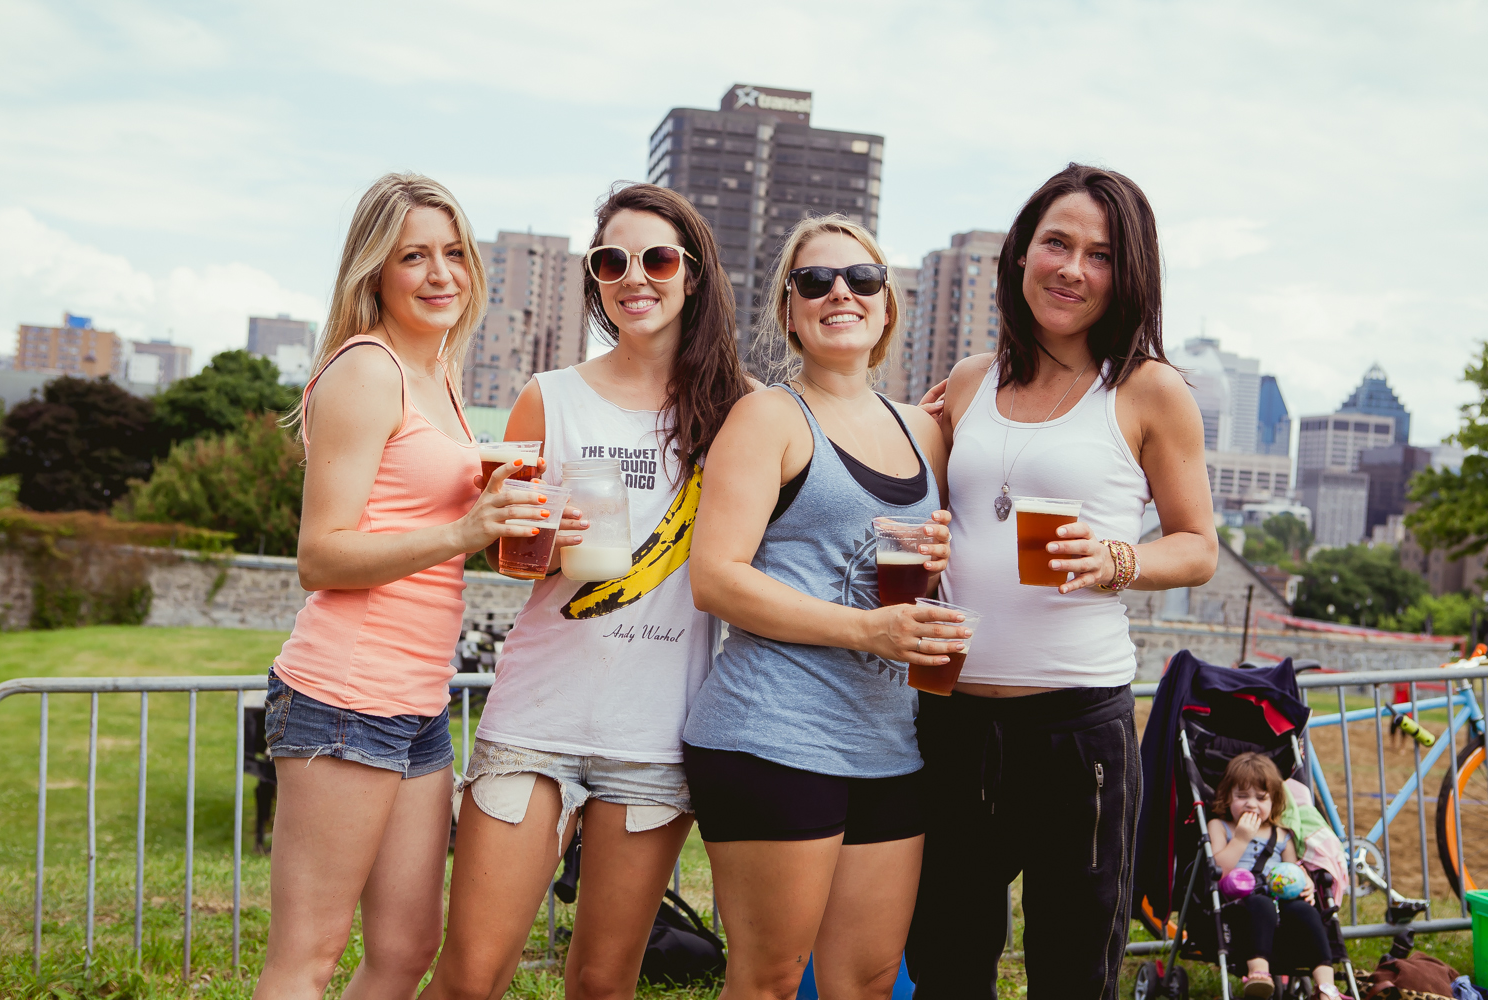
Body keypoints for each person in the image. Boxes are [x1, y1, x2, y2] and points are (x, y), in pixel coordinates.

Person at [421, 183, 751, 1000]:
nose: (634, 277)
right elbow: (512, 554)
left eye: (658, 258)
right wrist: (538, 543)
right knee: (470, 976)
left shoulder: (736, 415)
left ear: (695, 274)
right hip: (539, 717)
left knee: (603, 984)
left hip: (655, 737)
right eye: (612, 261)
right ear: (596, 280)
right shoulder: (549, 395)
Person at [906, 163, 1219, 999]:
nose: (1073, 268)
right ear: (1020, 256)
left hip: (1079, 733)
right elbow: (922, 502)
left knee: (1073, 971)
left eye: (1102, 254)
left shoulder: (1150, 391)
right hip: (954, 719)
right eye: (1057, 243)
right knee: (945, 960)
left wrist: (1121, 560)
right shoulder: (970, 380)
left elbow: (1197, 548)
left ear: (1130, 274)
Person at [255, 173, 562, 1000]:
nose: (440, 274)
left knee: (405, 947)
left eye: (454, 253)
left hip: (417, 705)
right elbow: (321, 556)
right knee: (308, 955)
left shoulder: (443, 377)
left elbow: (428, 529)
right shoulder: (366, 369)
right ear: (374, 272)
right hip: (342, 695)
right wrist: (465, 532)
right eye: (413, 256)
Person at [683, 214, 969, 1000]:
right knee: (771, 981)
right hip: (772, 732)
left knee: (868, 982)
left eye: (862, 278)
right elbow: (717, 578)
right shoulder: (768, 417)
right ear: (789, 311)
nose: (840, 291)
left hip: (886, 742)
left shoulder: (925, 432)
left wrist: (934, 573)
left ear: (887, 305)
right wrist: (870, 628)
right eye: (815, 281)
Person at [1208, 753, 1339, 998]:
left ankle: (1326, 987)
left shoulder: (1281, 834)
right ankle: (1259, 974)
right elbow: (1217, 870)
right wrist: (1241, 838)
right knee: (1261, 904)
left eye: (1261, 798)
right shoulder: (1220, 826)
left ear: (1274, 801)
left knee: (1307, 911)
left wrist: (1306, 883)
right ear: (1227, 797)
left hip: (1280, 900)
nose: (1251, 804)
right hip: (1241, 901)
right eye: (1242, 796)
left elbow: (1292, 869)